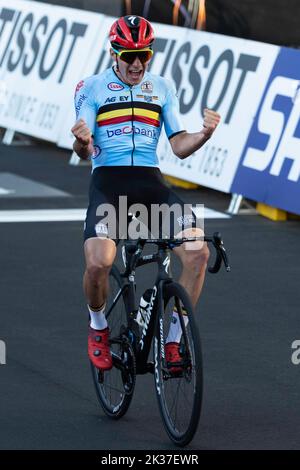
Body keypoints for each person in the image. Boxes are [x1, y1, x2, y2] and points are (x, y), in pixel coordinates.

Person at [71, 15, 220, 371]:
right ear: (114, 52)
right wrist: (80, 141)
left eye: (144, 54)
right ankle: (98, 328)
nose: (137, 63)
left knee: (198, 253)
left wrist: (203, 135)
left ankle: (172, 339)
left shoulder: (162, 87)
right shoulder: (91, 88)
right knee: (98, 264)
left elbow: (179, 146)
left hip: (152, 187)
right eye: (129, 55)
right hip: (110, 186)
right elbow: (83, 146)